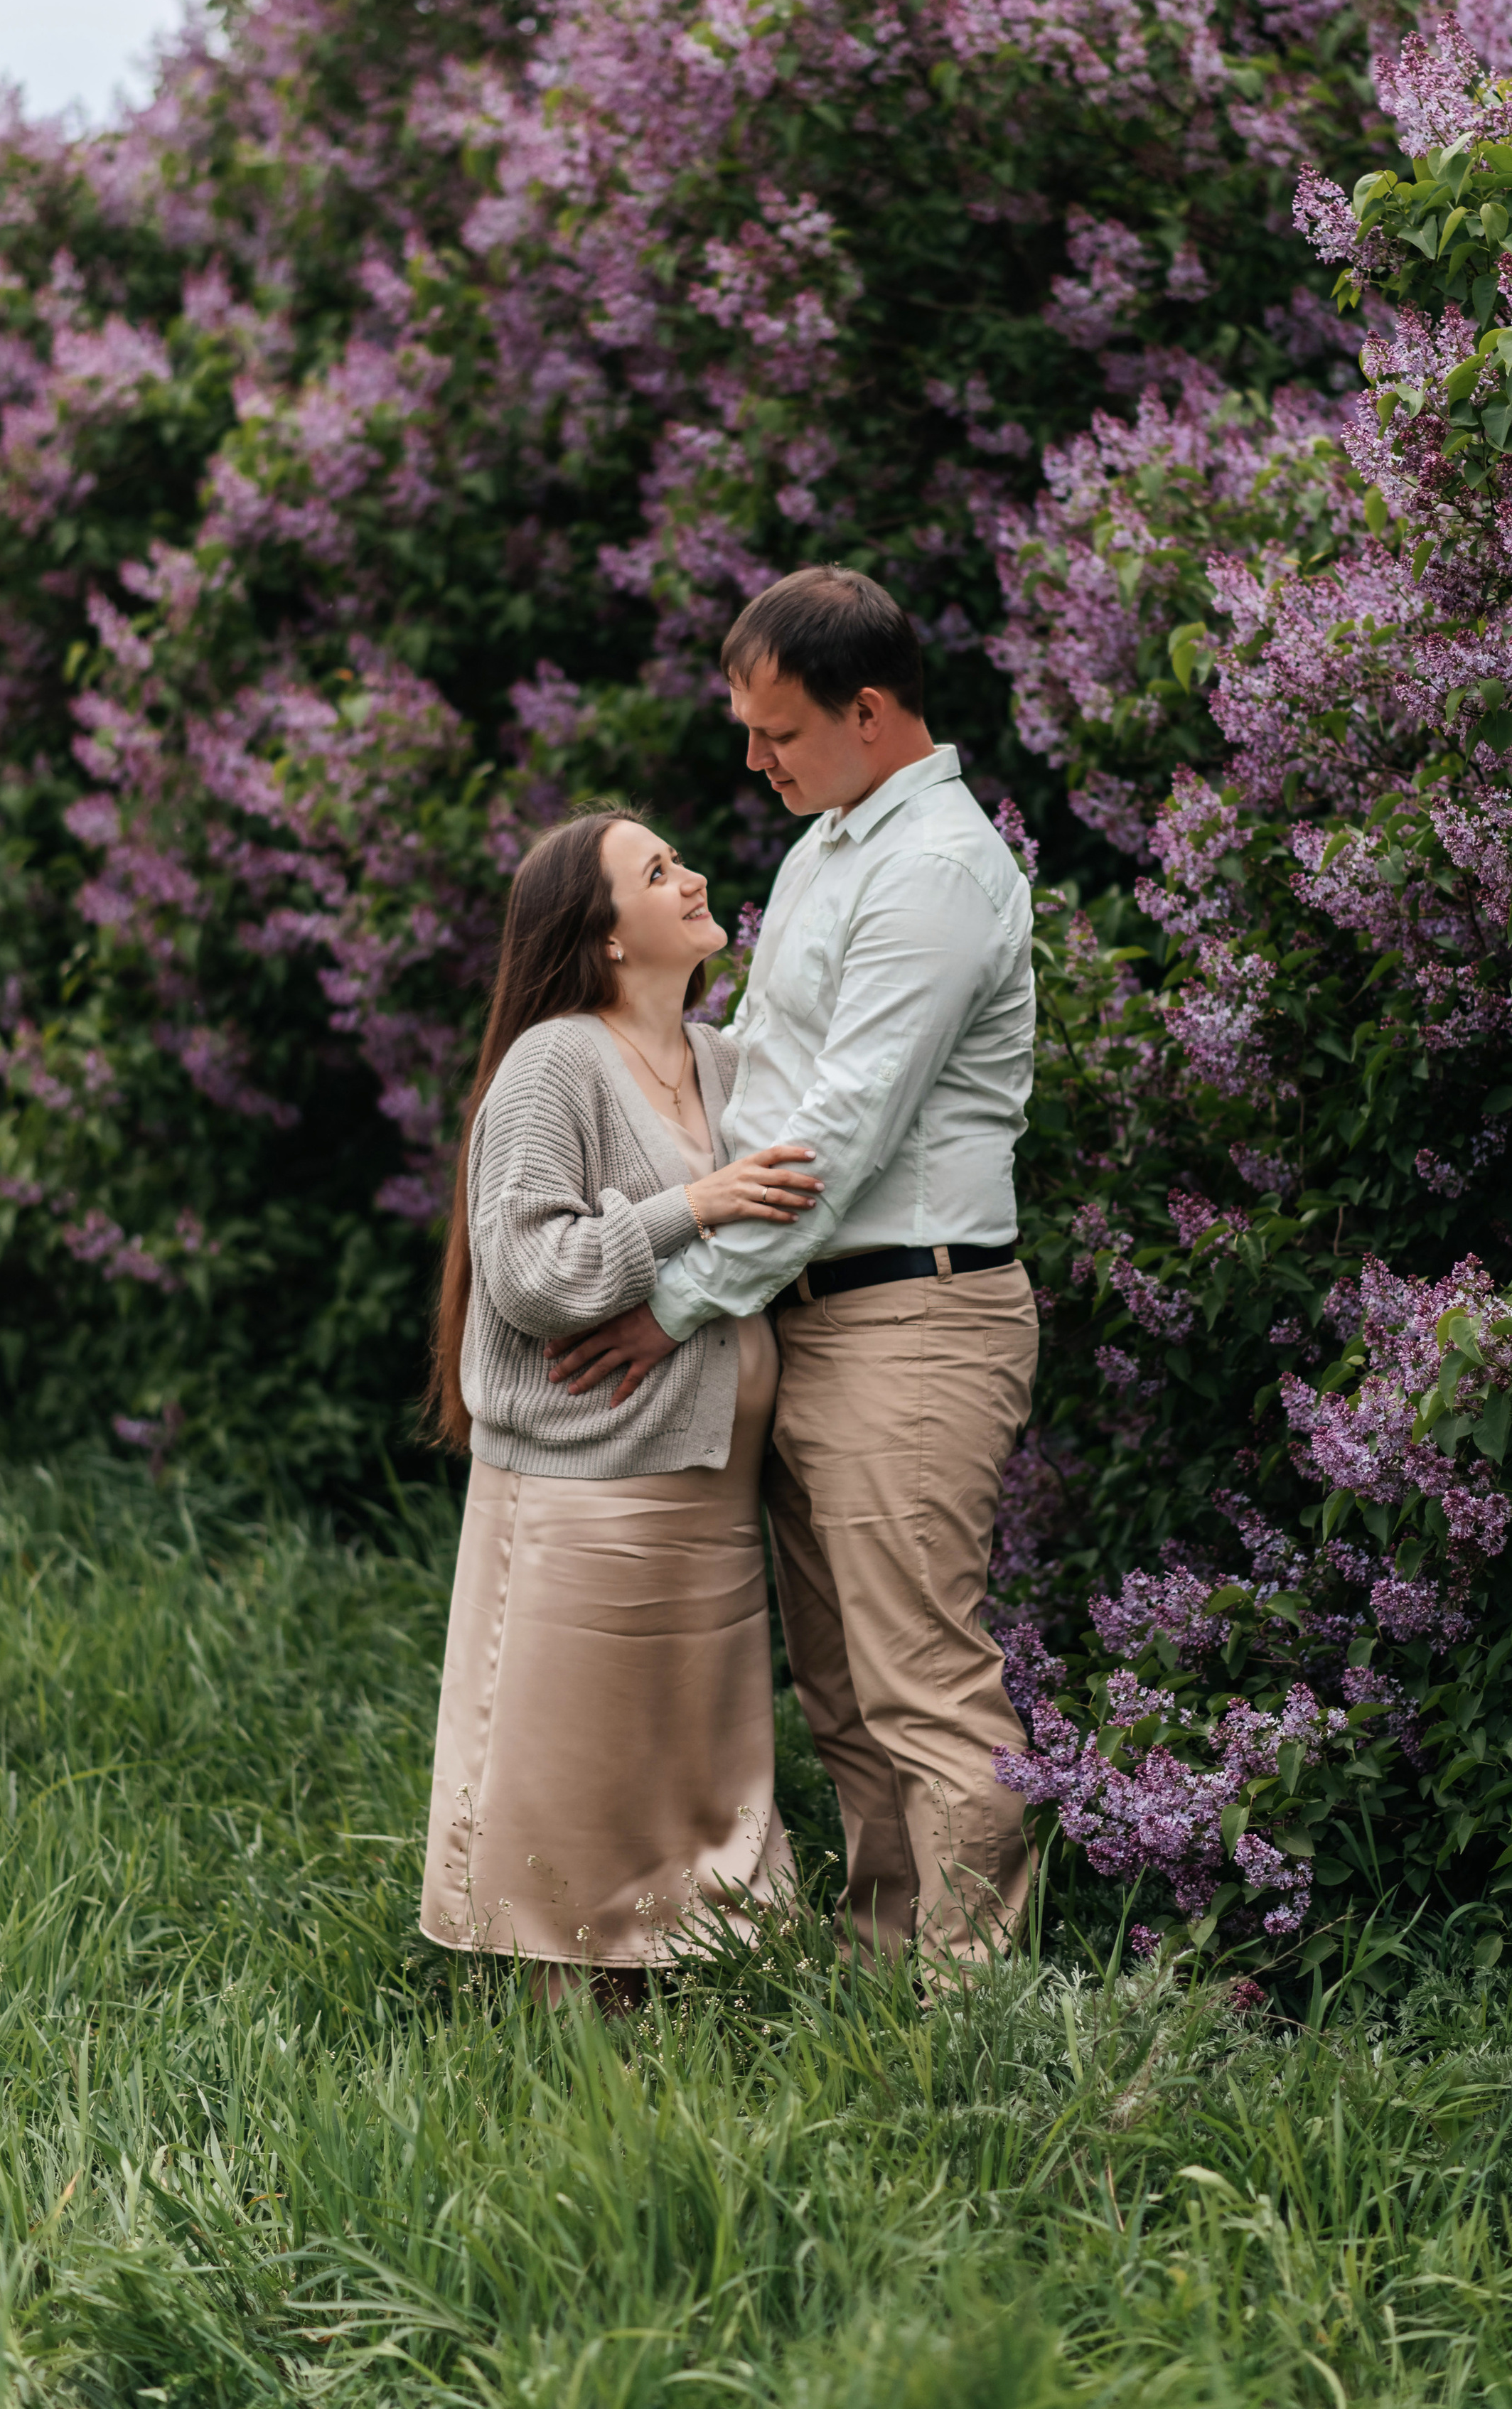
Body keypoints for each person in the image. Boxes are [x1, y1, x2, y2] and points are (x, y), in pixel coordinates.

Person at [547, 569, 1039, 1964]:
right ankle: (888, 1983)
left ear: (867, 711)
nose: (750, 760)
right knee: (839, 1690)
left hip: (915, 1317)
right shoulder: (829, 844)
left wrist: (670, 1306)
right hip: (806, 1314)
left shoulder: (933, 869)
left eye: (775, 732)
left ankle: (975, 2028)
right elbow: (756, 1099)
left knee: (923, 1687)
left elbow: (834, 1137)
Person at [419, 803, 823, 2001]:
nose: (693, 875)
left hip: (706, 1485)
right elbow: (533, 1273)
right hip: (587, 1486)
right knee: (577, 1772)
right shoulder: (556, 1060)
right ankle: (560, 2015)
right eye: (658, 870)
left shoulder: (727, 1060)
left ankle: (682, 1978)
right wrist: (689, 1209)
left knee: (679, 1759)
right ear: (604, 936)